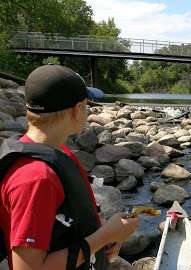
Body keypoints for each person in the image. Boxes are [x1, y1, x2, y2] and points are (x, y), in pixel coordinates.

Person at [0, 65, 139, 270]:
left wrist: (106, 239)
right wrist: (105, 235)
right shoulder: (37, 178)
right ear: (78, 110)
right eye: (86, 105)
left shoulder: (58, 152)